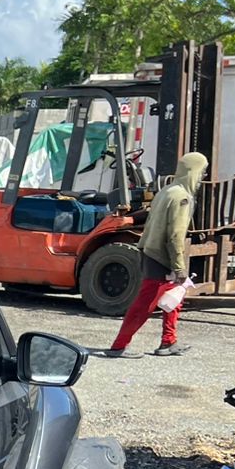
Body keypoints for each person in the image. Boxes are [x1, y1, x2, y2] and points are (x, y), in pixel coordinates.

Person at [98, 151, 208, 359]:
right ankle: (118, 346)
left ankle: (169, 341)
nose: (202, 176)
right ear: (193, 172)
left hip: (151, 251)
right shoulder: (182, 197)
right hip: (161, 257)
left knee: (174, 299)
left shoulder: (166, 190)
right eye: (202, 171)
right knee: (144, 305)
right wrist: (179, 267)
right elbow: (175, 235)